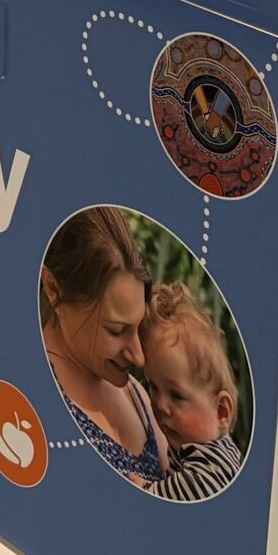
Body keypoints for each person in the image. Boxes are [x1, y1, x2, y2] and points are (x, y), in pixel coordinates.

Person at [39, 207, 167, 487]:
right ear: (53, 289)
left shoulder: (137, 393)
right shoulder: (34, 397)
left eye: (138, 327)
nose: (139, 357)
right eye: (117, 330)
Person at [139, 283, 243, 503]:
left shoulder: (210, 471)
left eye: (176, 395)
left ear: (221, 412)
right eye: (153, 386)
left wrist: (139, 486)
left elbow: (149, 502)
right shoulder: (204, 450)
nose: (160, 404)